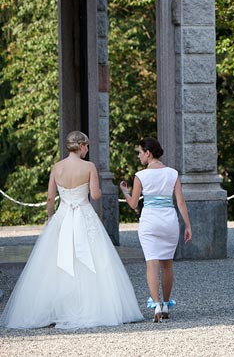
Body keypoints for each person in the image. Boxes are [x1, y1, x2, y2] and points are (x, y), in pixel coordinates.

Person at [1, 131, 143, 329]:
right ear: (82, 145)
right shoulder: (89, 167)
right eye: (87, 146)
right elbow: (95, 195)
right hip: (84, 216)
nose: (88, 150)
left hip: (63, 216)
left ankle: (56, 309)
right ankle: (92, 307)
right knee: (91, 261)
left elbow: (50, 198)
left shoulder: (57, 167)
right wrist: (98, 189)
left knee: (54, 263)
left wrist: (51, 218)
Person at [120, 137, 192, 322]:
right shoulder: (172, 173)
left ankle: (156, 305)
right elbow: (181, 202)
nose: (138, 156)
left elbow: (134, 204)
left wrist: (125, 192)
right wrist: (188, 225)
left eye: (139, 152)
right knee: (167, 264)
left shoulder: (140, 175)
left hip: (150, 220)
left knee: (151, 263)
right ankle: (167, 304)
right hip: (169, 220)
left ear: (148, 153)